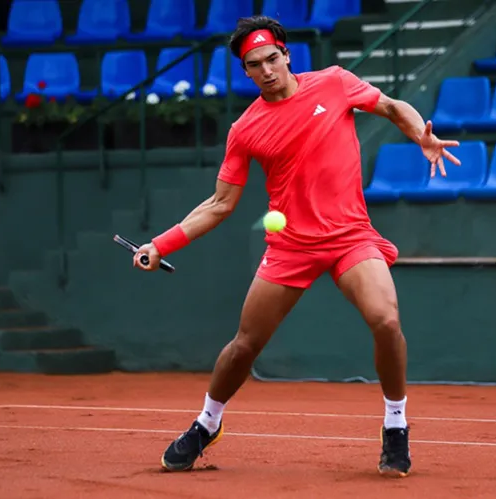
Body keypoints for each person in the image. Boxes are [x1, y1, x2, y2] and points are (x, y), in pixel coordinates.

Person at [133, 15, 461, 478]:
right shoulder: (245, 129)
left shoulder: (334, 83)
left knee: (386, 319)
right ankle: (208, 423)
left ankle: (395, 424)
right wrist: (160, 244)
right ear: (245, 71)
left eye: (272, 58)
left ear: (287, 55)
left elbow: (389, 106)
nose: (267, 69)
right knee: (244, 346)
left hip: (351, 236)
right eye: (255, 64)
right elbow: (219, 203)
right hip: (290, 247)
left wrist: (419, 135)